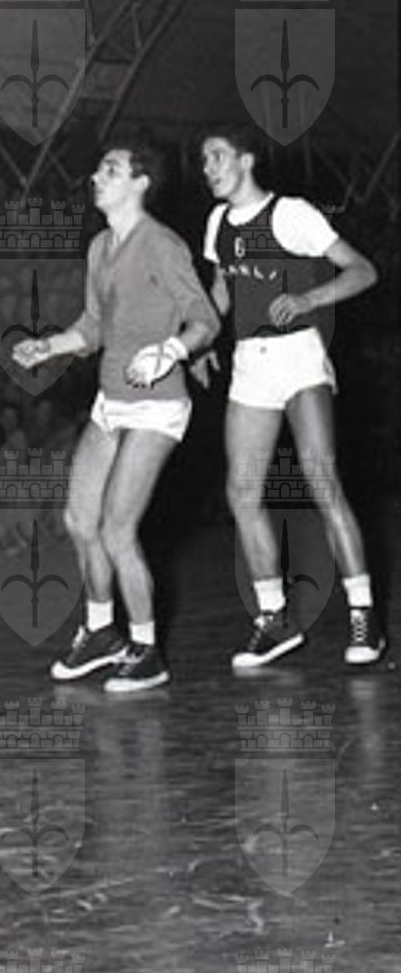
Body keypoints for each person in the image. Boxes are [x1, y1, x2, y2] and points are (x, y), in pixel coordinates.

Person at [13, 139, 220, 693]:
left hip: (157, 405)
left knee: (117, 530)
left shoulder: (162, 245)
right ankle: (102, 632)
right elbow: (93, 326)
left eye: (110, 169)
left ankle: (147, 651)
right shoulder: (100, 246)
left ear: (140, 182)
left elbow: (204, 320)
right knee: (80, 521)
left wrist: (169, 352)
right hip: (111, 402)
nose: (96, 177)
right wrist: (50, 346)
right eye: (99, 168)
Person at [198, 124, 385, 669]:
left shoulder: (292, 214)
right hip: (250, 364)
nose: (208, 167)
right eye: (203, 159)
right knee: (241, 492)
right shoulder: (217, 223)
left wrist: (308, 299)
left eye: (217, 156)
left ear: (246, 160)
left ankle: (364, 617)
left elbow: (363, 271)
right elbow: (221, 291)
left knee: (322, 481)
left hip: (299, 356)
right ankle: (274, 620)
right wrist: (200, 340)